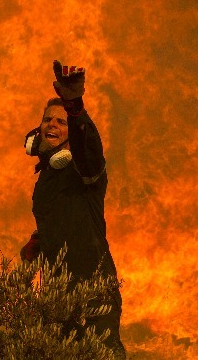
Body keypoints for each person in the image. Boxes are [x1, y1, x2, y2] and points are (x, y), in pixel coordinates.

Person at [21, 60, 126, 358]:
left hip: (94, 293)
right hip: (58, 297)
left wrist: (75, 108)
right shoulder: (47, 177)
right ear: (36, 132)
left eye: (61, 121)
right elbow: (63, 217)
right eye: (48, 120)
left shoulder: (85, 170)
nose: (52, 125)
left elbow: (88, 149)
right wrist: (39, 239)